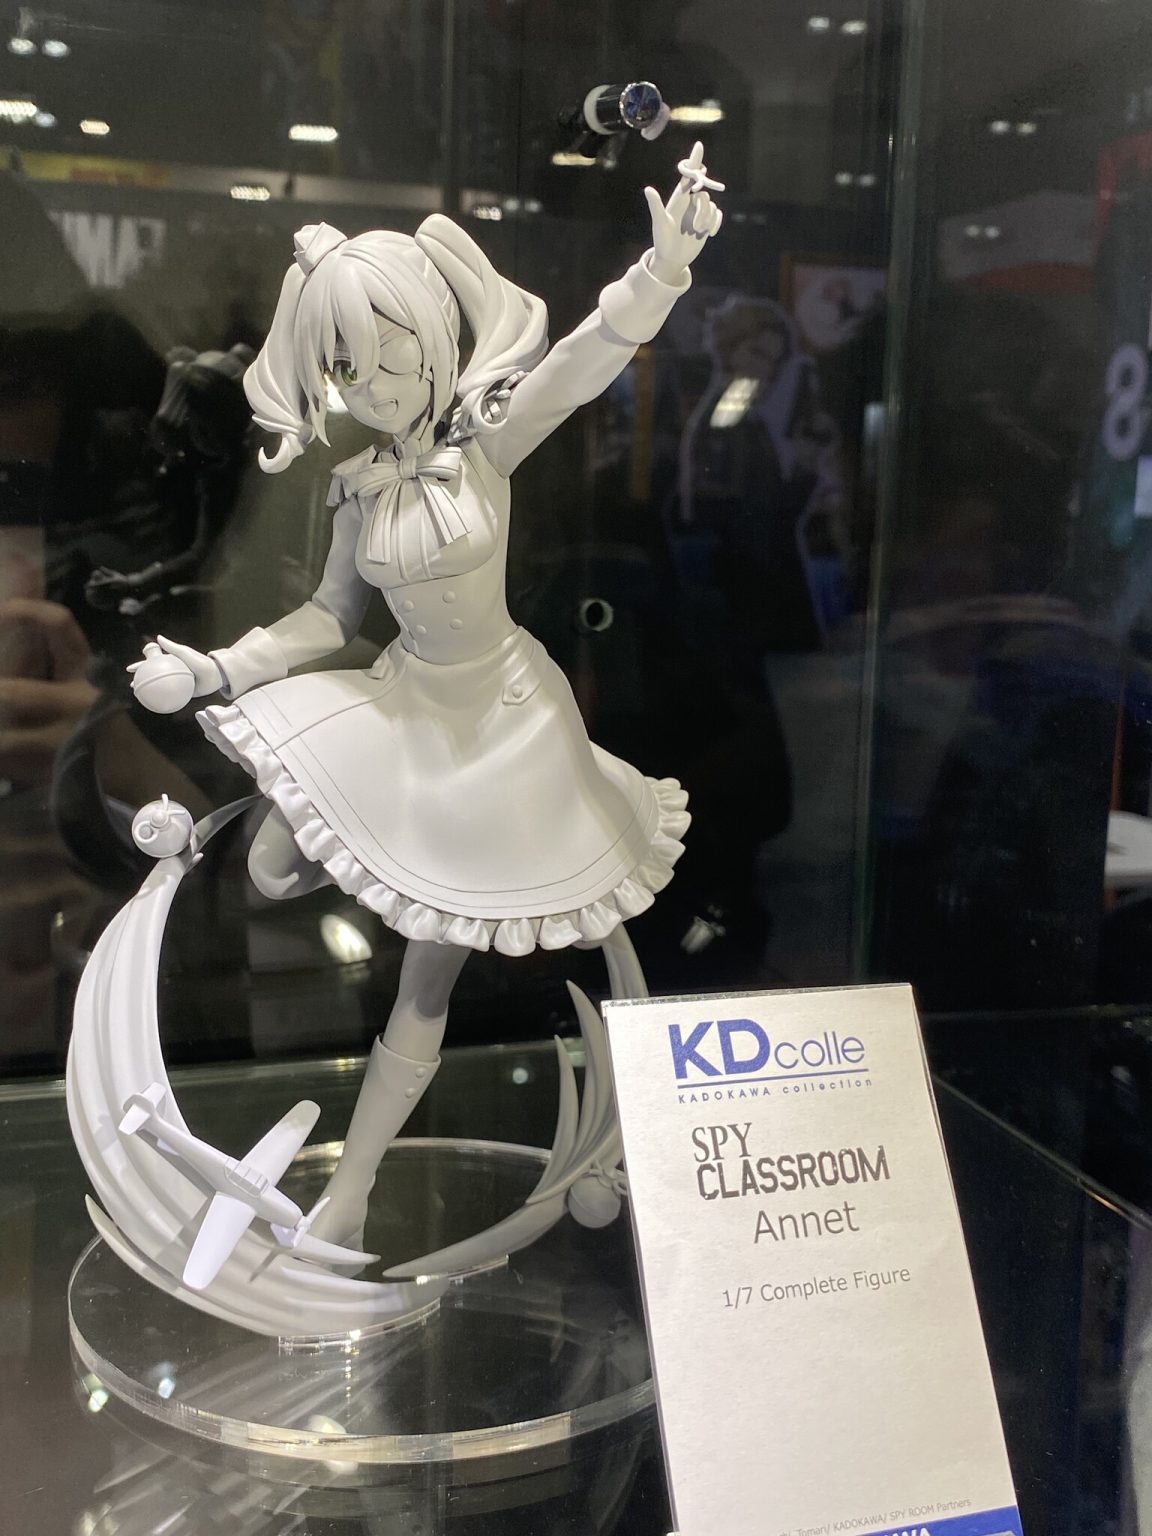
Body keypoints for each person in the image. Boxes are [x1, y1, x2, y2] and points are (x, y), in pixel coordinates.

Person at [126, 146, 723, 1249]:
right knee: (270, 866)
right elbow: (327, 618)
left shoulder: (484, 447)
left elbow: (580, 365)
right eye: (345, 367)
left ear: (437, 334)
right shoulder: (358, 485)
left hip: (504, 720)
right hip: (407, 701)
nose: (369, 384)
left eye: (388, 351)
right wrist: (215, 669)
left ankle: (352, 1196)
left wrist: (662, 273)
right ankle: (375, 874)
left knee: (436, 971)